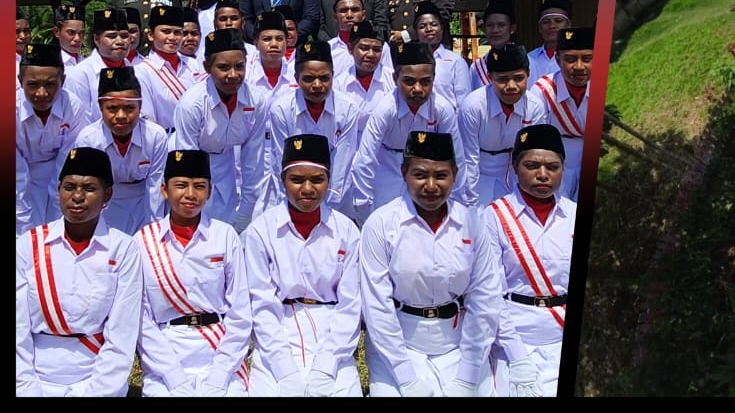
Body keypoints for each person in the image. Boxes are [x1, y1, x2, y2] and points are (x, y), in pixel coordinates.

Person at [360, 130, 503, 397]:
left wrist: (468, 375)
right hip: (398, 343)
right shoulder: (380, 225)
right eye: (420, 174)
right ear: (404, 173)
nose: (430, 185)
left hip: (458, 342)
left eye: (441, 175)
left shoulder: (472, 224)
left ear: (455, 175)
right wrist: (405, 376)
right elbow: (376, 306)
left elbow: (485, 299)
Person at [241, 133, 363, 396]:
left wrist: (326, 365)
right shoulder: (260, 232)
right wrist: (285, 369)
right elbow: (261, 305)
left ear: (329, 181)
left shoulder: (347, 231)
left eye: (317, 180)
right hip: (278, 331)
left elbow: (351, 305)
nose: (307, 189)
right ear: (282, 180)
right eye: (297, 179)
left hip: (333, 333)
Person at [17, 146, 144, 397]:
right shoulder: (28, 244)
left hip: (96, 376)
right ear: (58, 190)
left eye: (89, 188)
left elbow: (122, 334)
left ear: (107, 195)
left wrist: (97, 393)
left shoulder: (123, 249)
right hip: (33, 376)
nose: (77, 196)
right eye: (69, 187)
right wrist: (28, 389)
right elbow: (18, 329)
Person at [134, 147, 251, 395]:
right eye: (181, 185)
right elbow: (142, 320)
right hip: (166, 354)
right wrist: (173, 376)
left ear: (209, 191)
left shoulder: (225, 236)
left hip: (218, 349)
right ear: (164, 190)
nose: (190, 194)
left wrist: (220, 375)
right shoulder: (143, 241)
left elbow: (240, 312)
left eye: (199, 186)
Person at [487, 123, 576, 397]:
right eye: (532, 165)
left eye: (552, 167)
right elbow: (490, 294)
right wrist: (518, 356)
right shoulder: (494, 216)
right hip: (515, 339)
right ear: (515, 167)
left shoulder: (573, 214)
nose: (542, 175)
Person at [349, 41, 465, 219]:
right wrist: (365, 209)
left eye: (425, 82)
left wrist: (456, 202)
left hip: (426, 174)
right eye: (409, 81)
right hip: (386, 170)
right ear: (395, 79)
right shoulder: (385, 109)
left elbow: (456, 157)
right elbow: (364, 160)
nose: (417, 89)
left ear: (434, 79)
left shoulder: (442, 109)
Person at [171, 29, 265, 231]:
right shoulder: (192, 104)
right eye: (223, 67)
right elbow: (187, 161)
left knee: (228, 230)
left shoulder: (256, 101)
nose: (233, 75)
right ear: (207, 67)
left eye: (239, 66)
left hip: (227, 165)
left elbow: (253, 159)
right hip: (192, 163)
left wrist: (248, 209)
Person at [262, 33, 362, 217]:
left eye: (324, 78)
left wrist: (327, 203)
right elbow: (281, 161)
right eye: (308, 79)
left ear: (333, 75)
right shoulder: (281, 109)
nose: (317, 85)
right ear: (296, 77)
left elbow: (343, 162)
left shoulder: (348, 109)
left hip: (335, 198)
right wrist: (296, 200)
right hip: (294, 195)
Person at [458, 44, 550, 208]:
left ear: (528, 75)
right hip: (479, 175)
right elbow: (468, 159)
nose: (511, 86)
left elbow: (532, 155)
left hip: (516, 175)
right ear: (490, 77)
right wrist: (470, 202)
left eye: (519, 78)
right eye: (502, 79)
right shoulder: (473, 106)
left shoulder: (535, 106)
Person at [17, 41, 92, 233]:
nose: (41, 93)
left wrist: (58, 206)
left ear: (63, 81)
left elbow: (67, 159)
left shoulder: (73, 107)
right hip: (19, 175)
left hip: (58, 173)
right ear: (19, 80)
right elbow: (18, 174)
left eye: (50, 85)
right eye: (33, 85)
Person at [531, 25, 592, 201]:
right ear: (558, 60)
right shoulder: (542, 90)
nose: (579, 67)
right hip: (555, 158)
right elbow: (538, 139)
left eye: (587, 59)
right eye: (570, 59)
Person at [136, 3, 204, 133]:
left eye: (178, 32)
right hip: (165, 141)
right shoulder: (141, 71)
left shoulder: (195, 65)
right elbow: (147, 118)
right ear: (150, 35)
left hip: (198, 139)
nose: (172, 38)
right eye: (166, 32)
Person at [63, 6, 134, 108]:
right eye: (111, 36)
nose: (120, 42)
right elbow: (81, 118)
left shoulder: (136, 70)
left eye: (124, 36)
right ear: (96, 39)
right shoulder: (80, 75)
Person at [413, 2, 470, 109]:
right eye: (422, 26)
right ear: (416, 33)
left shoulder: (456, 61)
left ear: (442, 29)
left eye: (434, 24)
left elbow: (463, 103)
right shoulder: (410, 61)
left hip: (448, 124)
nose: (429, 29)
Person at [472, 0, 519, 90]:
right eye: (490, 25)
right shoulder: (477, 67)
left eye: (501, 25)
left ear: (512, 28)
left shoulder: (527, 62)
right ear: (484, 29)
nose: (495, 30)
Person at [528, 0, 574, 84]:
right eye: (546, 22)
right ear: (540, 28)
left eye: (558, 21)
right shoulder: (528, 59)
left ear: (568, 25)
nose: (552, 26)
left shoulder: (578, 59)